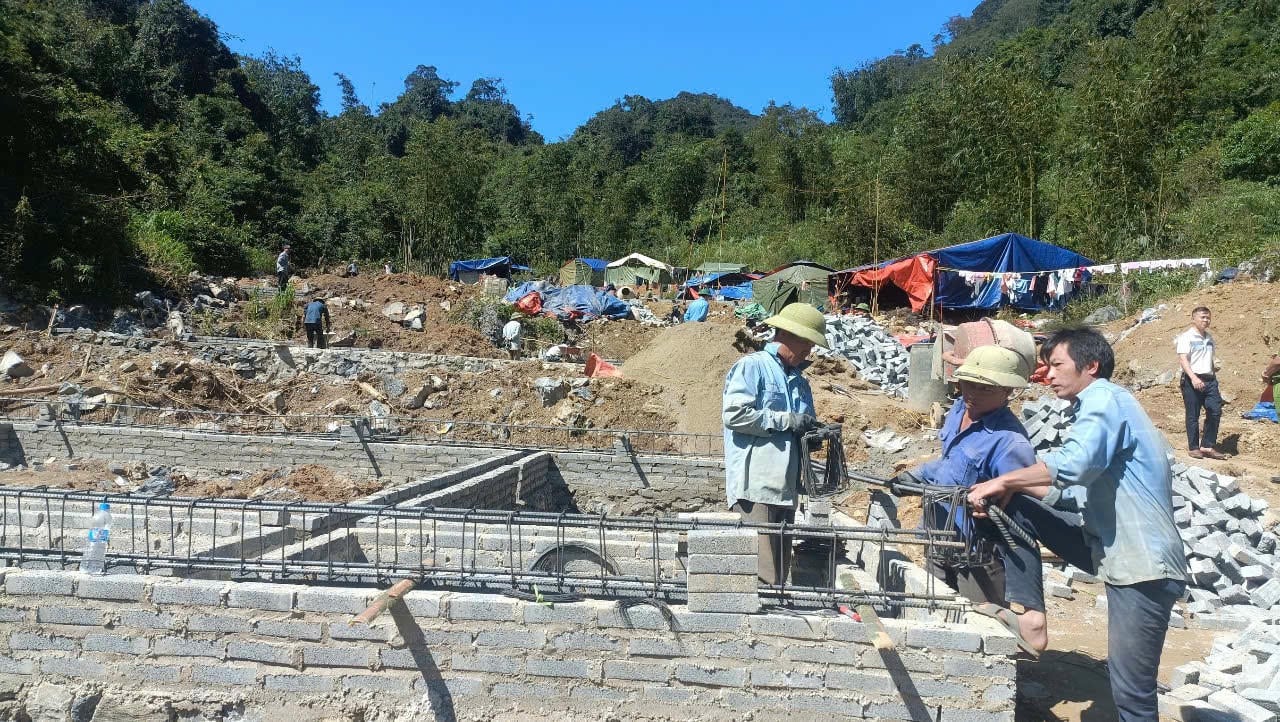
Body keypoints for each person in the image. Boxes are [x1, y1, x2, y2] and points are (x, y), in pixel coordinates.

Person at [967, 327, 1187, 722]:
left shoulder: (1104, 397)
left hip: (1142, 567)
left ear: (1091, 366)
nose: (1047, 375)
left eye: (1056, 365)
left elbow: (1072, 466)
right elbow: (1074, 493)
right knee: (1015, 504)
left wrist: (1003, 479)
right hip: (1110, 549)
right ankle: (1029, 618)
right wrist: (1014, 490)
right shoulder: (1101, 406)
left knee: (1132, 693)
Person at [895, 345, 1061, 654]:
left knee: (980, 627)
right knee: (936, 611)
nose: (973, 393)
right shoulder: (959, 410)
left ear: (1008, 390)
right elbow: (950, 461)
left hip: (977, 550)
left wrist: (992, 502)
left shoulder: (1009, 441)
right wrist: (916, 476)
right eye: (969, 383)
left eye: (986, 389)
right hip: (939, 531)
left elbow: (1020, 501)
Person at [722, 303, 826, 585]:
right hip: (756, 490)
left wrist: (813, 434)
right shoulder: (752, 367)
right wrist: (786, 421)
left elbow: (801, 426)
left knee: (778, 576)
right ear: (787, 334)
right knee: (760, 579)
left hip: (786, 490)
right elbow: (734, 415)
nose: (809, 351)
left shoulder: (800, 381)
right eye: (807, 343)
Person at [1175, 306, 1224, 459]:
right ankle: (1194, 447)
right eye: (1202, 317)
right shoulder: (1186, 337)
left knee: (1215, 411)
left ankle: (1207, 446)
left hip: (1210, 380)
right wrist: (1194, 378)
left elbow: (1210, 358)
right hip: (1192, 379)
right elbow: (1183, 359)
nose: (1206, 320)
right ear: (1193, 319)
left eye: (1208, 317)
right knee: (1193, 414)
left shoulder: (1209, 338)